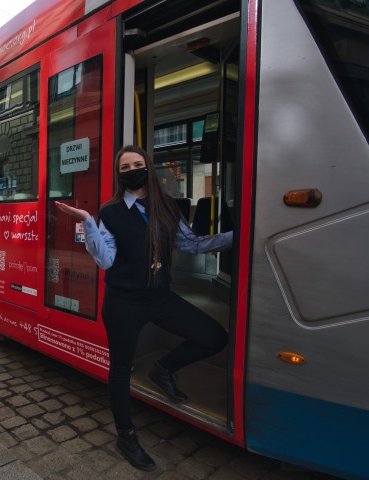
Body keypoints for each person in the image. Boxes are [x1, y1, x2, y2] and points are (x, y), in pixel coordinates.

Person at [55, 145, 232, 471]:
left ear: (148, 167)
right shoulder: (109, 212)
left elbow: (190, 244)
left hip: (160, 296)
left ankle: (163, 369)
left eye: (138, 163)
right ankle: (126, 435)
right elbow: (105, 260)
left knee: (213, 337)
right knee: (121, 369)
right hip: (123, 302)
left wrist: (238, 237)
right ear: (119, 174)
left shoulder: (165, 206)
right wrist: (87, 224)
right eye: (125, 166)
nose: (132, 169)